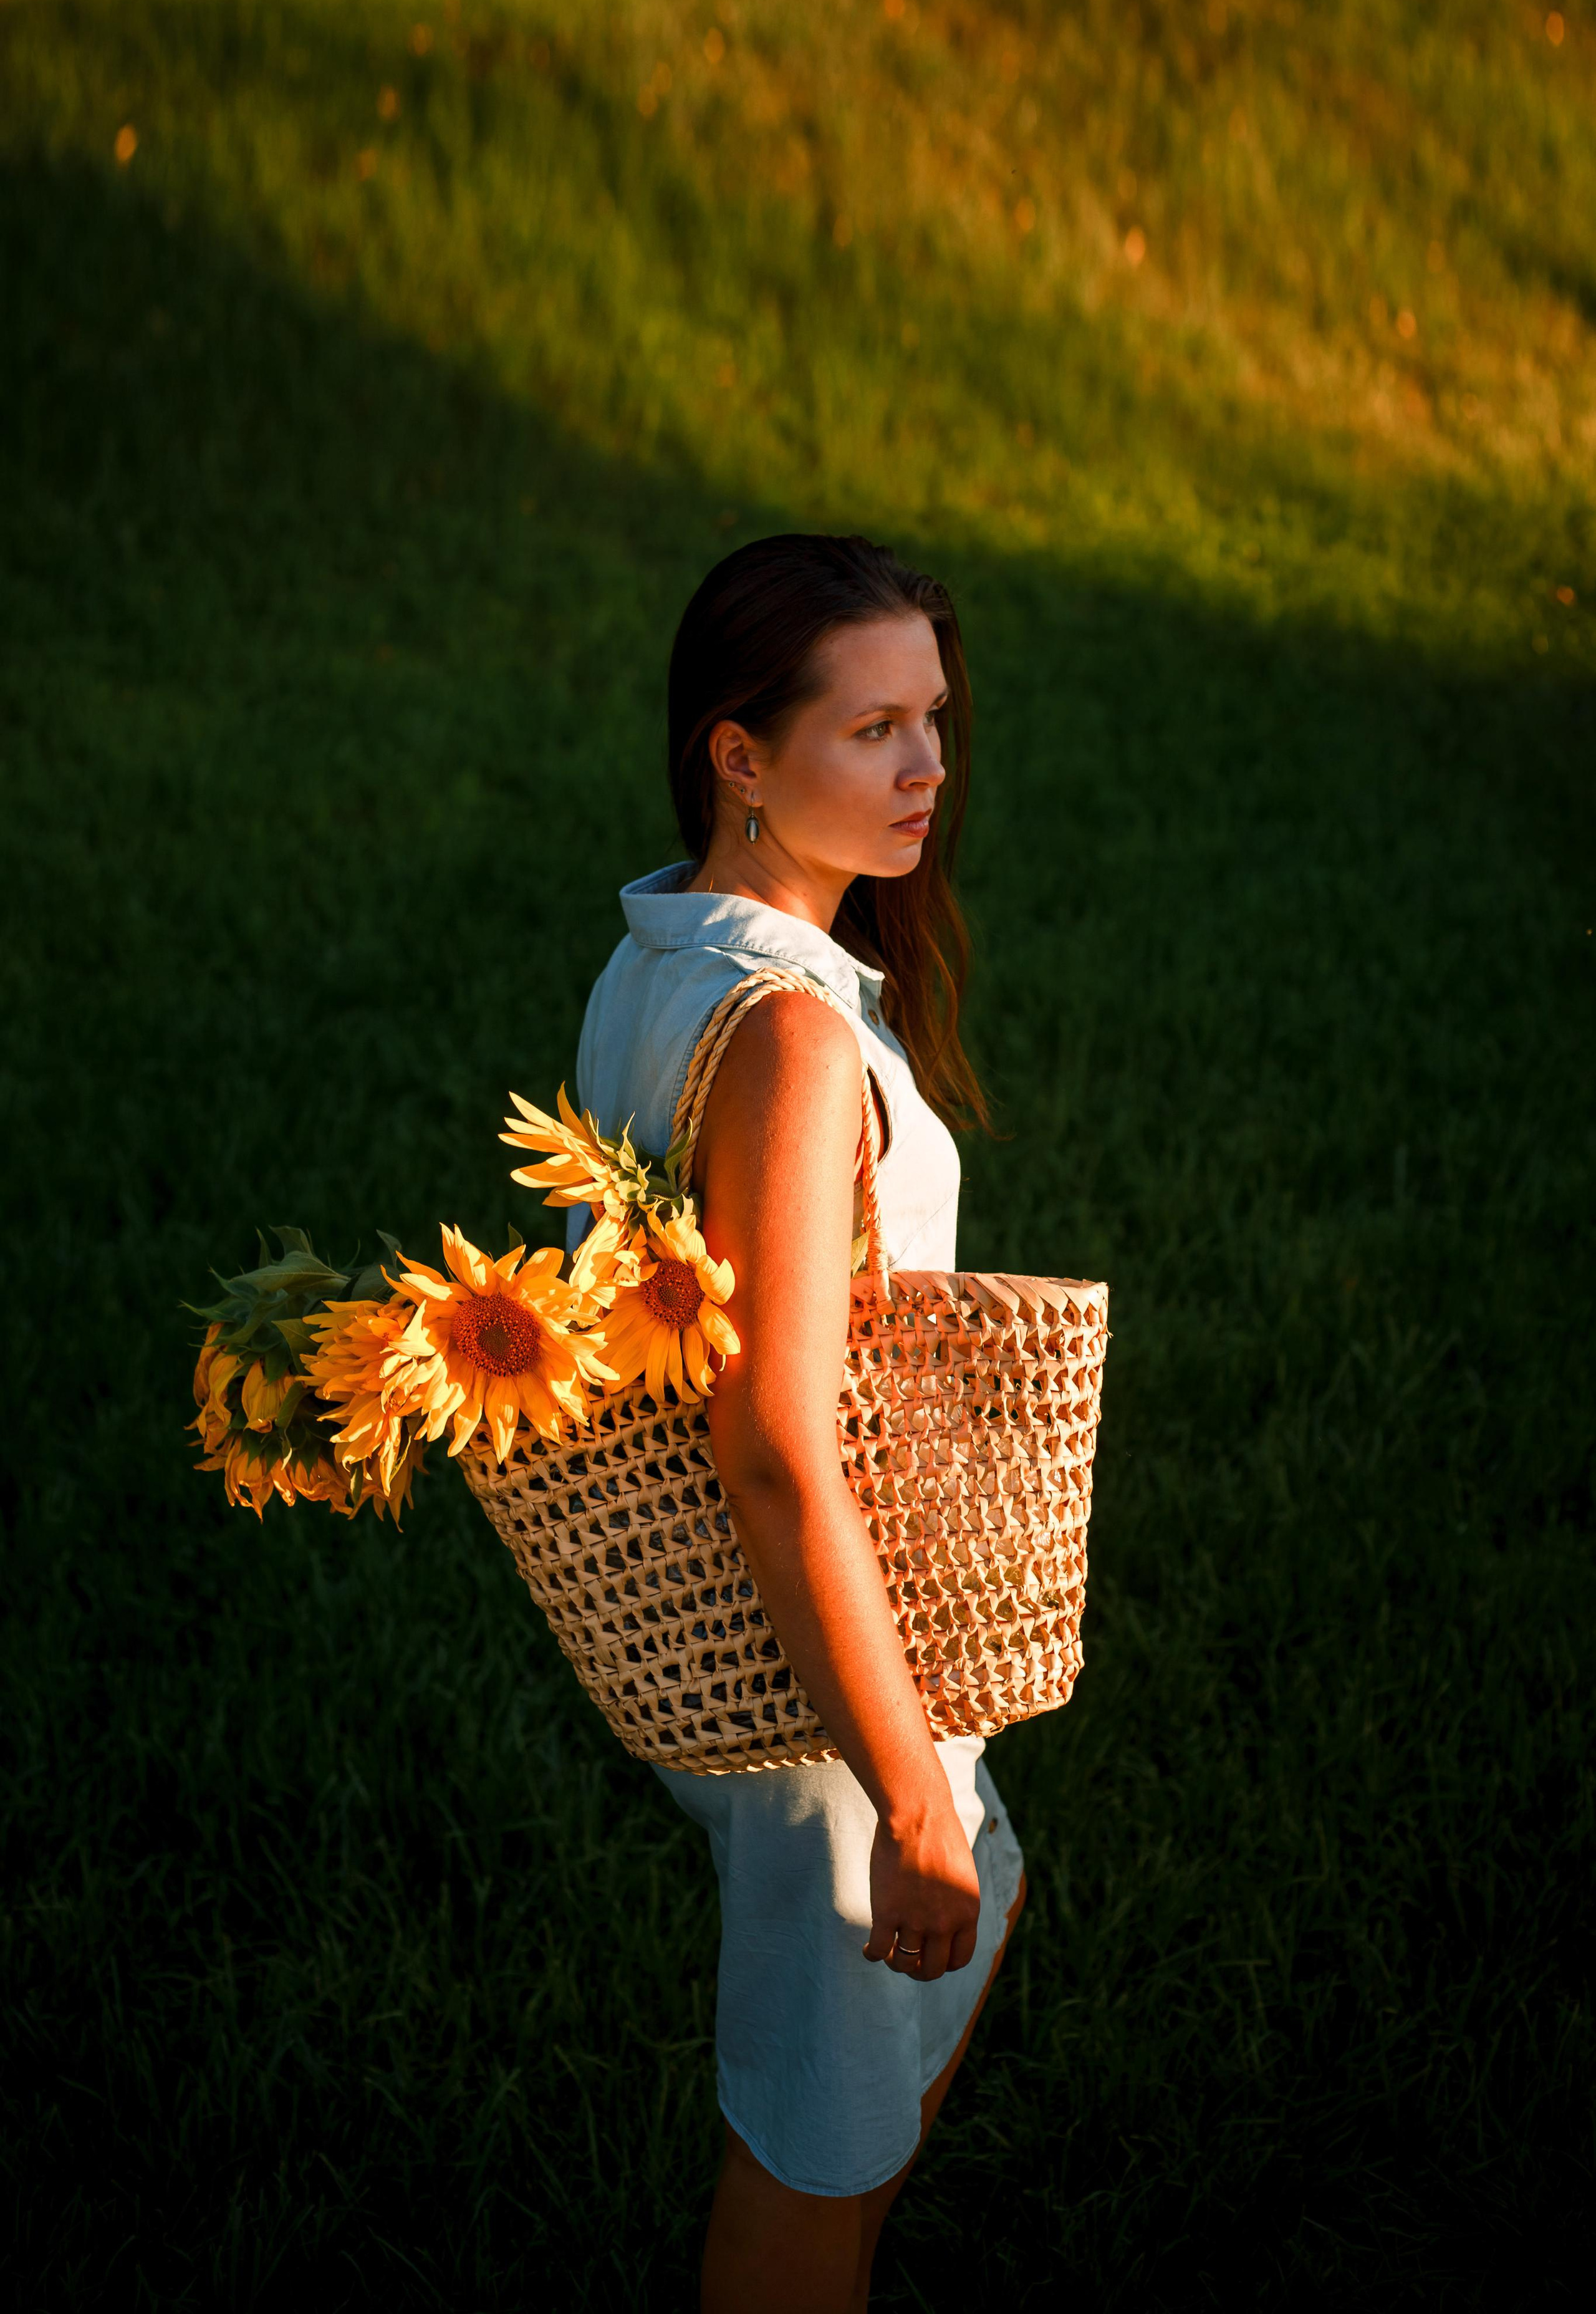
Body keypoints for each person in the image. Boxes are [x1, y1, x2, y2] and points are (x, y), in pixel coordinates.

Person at [569, 534, 1026, 2313]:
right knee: (815, 2126)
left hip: (791, 1636)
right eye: (871, 730)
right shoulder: (791, 1036)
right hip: (825, 1683)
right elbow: (771, 1440)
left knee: (900, 2026)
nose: (925, 770)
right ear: (739, 756)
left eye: (934, 723)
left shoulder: (655, 960)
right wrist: (904, 1788)